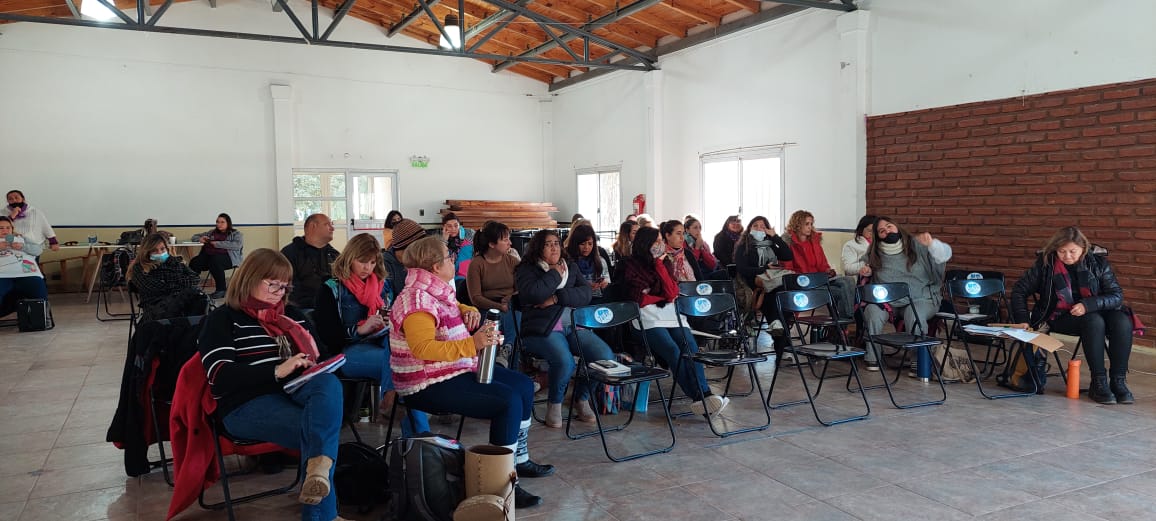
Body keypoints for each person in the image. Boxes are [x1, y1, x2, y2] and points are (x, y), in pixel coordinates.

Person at [390, 236, 552, 508]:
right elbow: (423, 348)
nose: (454, 259)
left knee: (523, 386)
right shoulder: (417, 299)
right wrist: (473, 343)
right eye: (448, 256)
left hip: (450, 370)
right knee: (507, 402)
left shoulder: (433, 288)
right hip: (424, 383)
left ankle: (519, 460)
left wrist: (466, 310)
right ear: (433, 266)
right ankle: (500, 483)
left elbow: (447, 309)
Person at [197, 248, 345, 521]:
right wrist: (276, 370)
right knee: (320, 430)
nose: (280, 291)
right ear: (249, 279)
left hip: (299, 389)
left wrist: (320, 362)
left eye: (284, 285)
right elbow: (219, 375)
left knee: (328, 383)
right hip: (245, 403)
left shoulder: (293, 315)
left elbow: (322, 354)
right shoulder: (223, 319)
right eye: (272, 283)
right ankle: (323, 513)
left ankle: (318, 489)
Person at [313, 233, 431, 434]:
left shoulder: (382, 285)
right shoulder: (331, 288)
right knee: (406, 365)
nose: (368, 267)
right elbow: (327, 336)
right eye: (362, 261)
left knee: (403, 359)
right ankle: (421, 440)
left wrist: (388, 322)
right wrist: (359, 330)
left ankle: (397, 404)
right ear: (350, 258)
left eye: (372, 262)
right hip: (346, 352)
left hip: (382, 346)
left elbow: (393, 317)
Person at [620, 226, 729, 427]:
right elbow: (638, 298)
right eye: (656, 241)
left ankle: (703, 396)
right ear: (646, 243)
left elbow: (671, 292)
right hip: (646, 319)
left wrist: (659, 265)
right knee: (672, 351)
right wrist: (659, 296)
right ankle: (702, 397)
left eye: (661, 240)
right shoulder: (630, 265)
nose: (660, 244)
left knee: (691, 348)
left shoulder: (665, 263)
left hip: (670, 315)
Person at [1011, 226, 1133, 404]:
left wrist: (1088, 304)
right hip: (1058, 316)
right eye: (1062, 251)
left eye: (1072, 251)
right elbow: (1019, 291)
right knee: (1093, 321)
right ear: (1055, 250)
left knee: (1123, 321)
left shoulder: (1098, 264)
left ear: (1083, 248)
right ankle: (1098, 382)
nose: (1067, 256)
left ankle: (1118, 381)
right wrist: (1023, 319)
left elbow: (1116, 295)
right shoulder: (1045, 264)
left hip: (1094, 310)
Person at [515, 230, 613, 428]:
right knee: (564, 361)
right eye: (548, 244)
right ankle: (555, 405)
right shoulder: (527, 269)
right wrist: (553, 275)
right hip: (541, 328)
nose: (554, 247)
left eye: (557, 243)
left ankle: (581, 398)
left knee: (605, 356)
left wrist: (556, 298)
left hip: (572, 325)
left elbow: (585, 293)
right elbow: (533, 295)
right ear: (537, 248)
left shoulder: (570, 267)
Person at [859, 216, 952, 371]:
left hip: (922, 298)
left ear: (896, 226)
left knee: (913, 315)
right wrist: (866, 270)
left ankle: (917, 360)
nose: (887, 231)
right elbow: (864, 266)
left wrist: (933, 245)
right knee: (872, 311)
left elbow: (945, 255)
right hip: (889, 302)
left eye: (889, 226)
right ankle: (873, 357)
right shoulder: (875, 253)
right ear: (877, 237)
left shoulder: (917, 244)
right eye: (882, 231)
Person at [781, 210, 855, 319]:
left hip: (819, 279)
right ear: (797, 224)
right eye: (806, 224)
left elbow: (822, 264)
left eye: (811, 224)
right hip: (804, 283)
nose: (810, 227)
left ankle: (846, 319)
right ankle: (845, 321)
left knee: (848, 280)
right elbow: (788, 270)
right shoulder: (788, 243)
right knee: (841, 292)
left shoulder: (814, 241)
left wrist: (828, 271)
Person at [733, 216, 794, 346]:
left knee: (781, 295)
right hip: (752, 282)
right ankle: (783, 344)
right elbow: (743, 269)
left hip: (772, 282)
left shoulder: (770, 244)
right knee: (774, 296)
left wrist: (775, 237)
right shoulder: (744, 246)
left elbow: (788, 256)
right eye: (755, 226)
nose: (759, 228)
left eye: (763, 226)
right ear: (749, 228)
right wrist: (764, 268)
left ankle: (777, 329)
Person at [466, 221, 521, 355]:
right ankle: (503, 352)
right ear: (491, 244)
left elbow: (522, 288)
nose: (510, 243)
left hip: (509, 304)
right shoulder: (477, 264)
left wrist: (511, 297)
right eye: (505, 240)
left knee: (513, 313)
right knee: (496, 316)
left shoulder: (512, 261)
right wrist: (498, 306)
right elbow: (476, 298)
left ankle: (507, 350)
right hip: (486, 307)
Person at [128, 233, 203, 322]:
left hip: (181, 304)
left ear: (167, 249)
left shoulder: (176, 262)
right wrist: (180, 282)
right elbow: (156, 288)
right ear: (146, 252)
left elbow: (195, 279)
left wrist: (165, 280)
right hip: (156, 308)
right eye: (154, 250)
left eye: (162, 249)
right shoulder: (139, 267)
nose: (160, 253)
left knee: (201, 303)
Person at [282, 213, 339, 310]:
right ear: (313, 226)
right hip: (301, 310)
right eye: (327, 224)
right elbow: (287, 287)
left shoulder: (334, 255)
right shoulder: (289, 254)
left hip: (333, 308)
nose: (332, 228)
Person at [190, 213, 244, 299]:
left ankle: (221, 290)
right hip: (210, 258)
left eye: (222, 222)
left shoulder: (236, 234)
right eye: (217, 222)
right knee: (195, 261)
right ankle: (192, 287)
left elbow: (237, 245)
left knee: (215, 260)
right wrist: (200, 239)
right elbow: (194, 237)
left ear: (228, 223)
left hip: (229, 259)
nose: (219, 224)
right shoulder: (212, 232)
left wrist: (217, 244)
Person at [0, 216, 48, 305]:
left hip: (28, 273)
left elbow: (38, 251)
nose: (5, 230)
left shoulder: (21, 238)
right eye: (1, 228)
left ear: (12, 229)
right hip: (2, 274)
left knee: (39, 295)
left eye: (8, 228)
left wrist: (23, 246)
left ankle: (39, 318)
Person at [381, 218, 429, 297]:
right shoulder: (385, 265)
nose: (422, 252)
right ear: (407, 248)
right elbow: (386, 303)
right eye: (419, 248)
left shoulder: (416, 259)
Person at [564, 224, 611, 303]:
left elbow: (607, 280)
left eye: (590, 244)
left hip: (598, 300)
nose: (586, 247)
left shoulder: (600, 261)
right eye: (582, 244)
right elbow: (565, 289)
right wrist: (584, 287)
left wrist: (604, 284)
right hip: (576, 302)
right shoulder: (567, 262)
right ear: (575, 243)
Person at [439, 212, 474, 282]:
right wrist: (444, 240)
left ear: (459, 225)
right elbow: (439, 256)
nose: (453, 229)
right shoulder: (440, 238)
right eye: (449, 226)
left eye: (456, 225)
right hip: (449, 274)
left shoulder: (469, 234)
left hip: (467, 273)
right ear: (444, 227)